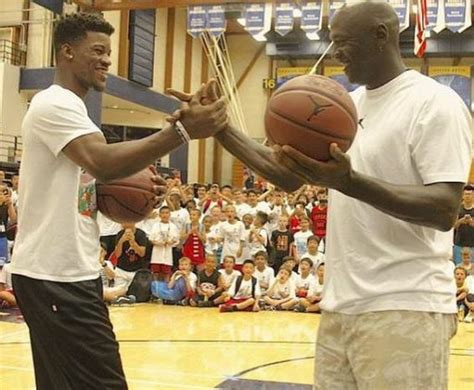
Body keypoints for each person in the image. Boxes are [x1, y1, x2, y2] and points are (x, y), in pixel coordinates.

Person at [167, 2, 471, 387]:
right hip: (340, 305)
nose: (335, 50)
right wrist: (221, 128)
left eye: (343, 41)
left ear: (381, 35)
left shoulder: (435, 104)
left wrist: (350, 182)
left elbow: (444, 208)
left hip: (406, 304)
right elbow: (289, 175)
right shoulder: (348, 106)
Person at [9, 12, 228, 389]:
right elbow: (103, 162)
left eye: (109, 52)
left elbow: (89, 184)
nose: (107, 59)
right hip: (56, 274)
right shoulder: (54, 103)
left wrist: (139, 190)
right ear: (67, 52)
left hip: (62, 272)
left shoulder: (72, 108)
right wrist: (180, 132)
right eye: (97, 50)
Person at [149, 206, 180, 281]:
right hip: (156, 254)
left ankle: (165, 290)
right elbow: (151, 239)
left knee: (166, 274)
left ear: (170, 214)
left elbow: (176, 240)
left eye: (166, 213)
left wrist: (170, 242)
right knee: (155, 274)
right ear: (159, 215)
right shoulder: (155, 226)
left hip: (167, 254)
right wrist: (158, 243)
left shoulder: (173, 226)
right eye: (162, 213)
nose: (164, 215)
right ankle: (155, 289)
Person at [453, 185, 474, 264]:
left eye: (470, 194)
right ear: (462, 195)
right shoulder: (457, 209)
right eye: (466, 194)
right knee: (458, 268)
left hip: (473, 244)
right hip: (459, 244)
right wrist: (460, 221)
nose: (467, 196)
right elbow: (452, 227)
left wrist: (471, 222)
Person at [0, 186, 16, 266]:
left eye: (3, 192)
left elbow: (13, 220)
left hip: (2, 238)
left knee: (1, 265)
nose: (1, 194)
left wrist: (10, 205)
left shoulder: (6, 204)